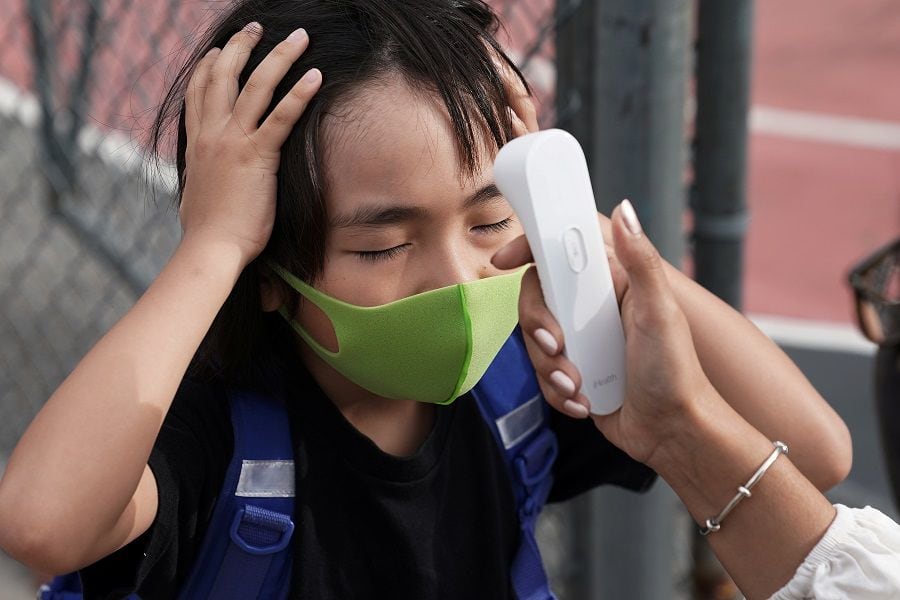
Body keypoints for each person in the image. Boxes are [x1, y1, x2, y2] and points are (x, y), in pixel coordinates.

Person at [0, 0, 892, 598]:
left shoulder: (526, 384)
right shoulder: (214, 439)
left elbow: (809, 453)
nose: (460, 282)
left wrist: (577, 226)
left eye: (489, 219)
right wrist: (213, 245)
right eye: (385, 244)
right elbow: (42, 524)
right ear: (268, 275)